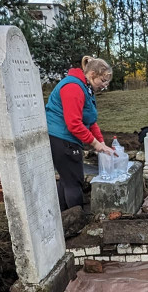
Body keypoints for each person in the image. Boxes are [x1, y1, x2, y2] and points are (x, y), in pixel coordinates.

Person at [45, 55, 117, 210]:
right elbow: (74, 124)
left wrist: (102, 143)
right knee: (74, 182)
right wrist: (96, 144)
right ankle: (76, 220)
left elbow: (91, 119)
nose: (105, 85)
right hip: (62, 139)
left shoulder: (86, 88)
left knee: (66, 179)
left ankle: (62, 217)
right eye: (103, 81)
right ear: (92, 75)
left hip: (67, 139)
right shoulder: (73, 88)